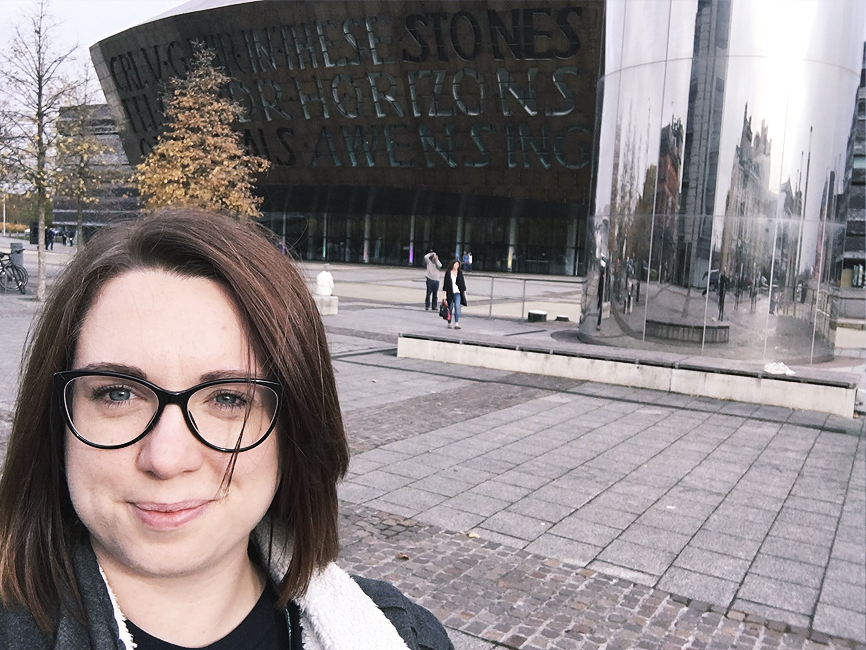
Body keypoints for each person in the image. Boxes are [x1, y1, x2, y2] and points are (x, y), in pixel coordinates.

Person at [0, 209, 454, 650]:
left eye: (228, 398)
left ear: (294, 431)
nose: (166, 458)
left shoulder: (405, 637)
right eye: (118, 393)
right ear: (58, 420)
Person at [442, 259, 467, 330]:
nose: (457, 266)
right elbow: (445, 285)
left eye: (458, 265)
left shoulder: (460, 273)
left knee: (457, 307)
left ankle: (456, 323)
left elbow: (462, 283)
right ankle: (449, 322)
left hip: (458, 293)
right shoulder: (448, 273)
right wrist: (444, 295)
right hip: (450, 292)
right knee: (449, 308)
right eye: (455, 264)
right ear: (452, 265)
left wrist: (464, 292)